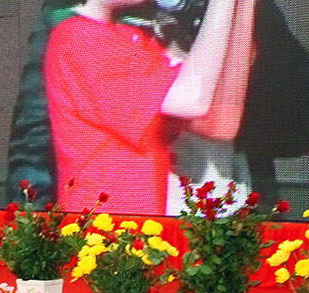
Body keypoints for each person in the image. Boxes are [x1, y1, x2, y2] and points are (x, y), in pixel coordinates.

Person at [45, 0, 254, 214]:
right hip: (107, 227)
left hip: (137, 224)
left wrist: (243, 5)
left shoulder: (126, 37)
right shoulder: (80, 38)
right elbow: (192, 100)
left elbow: (220, 123)